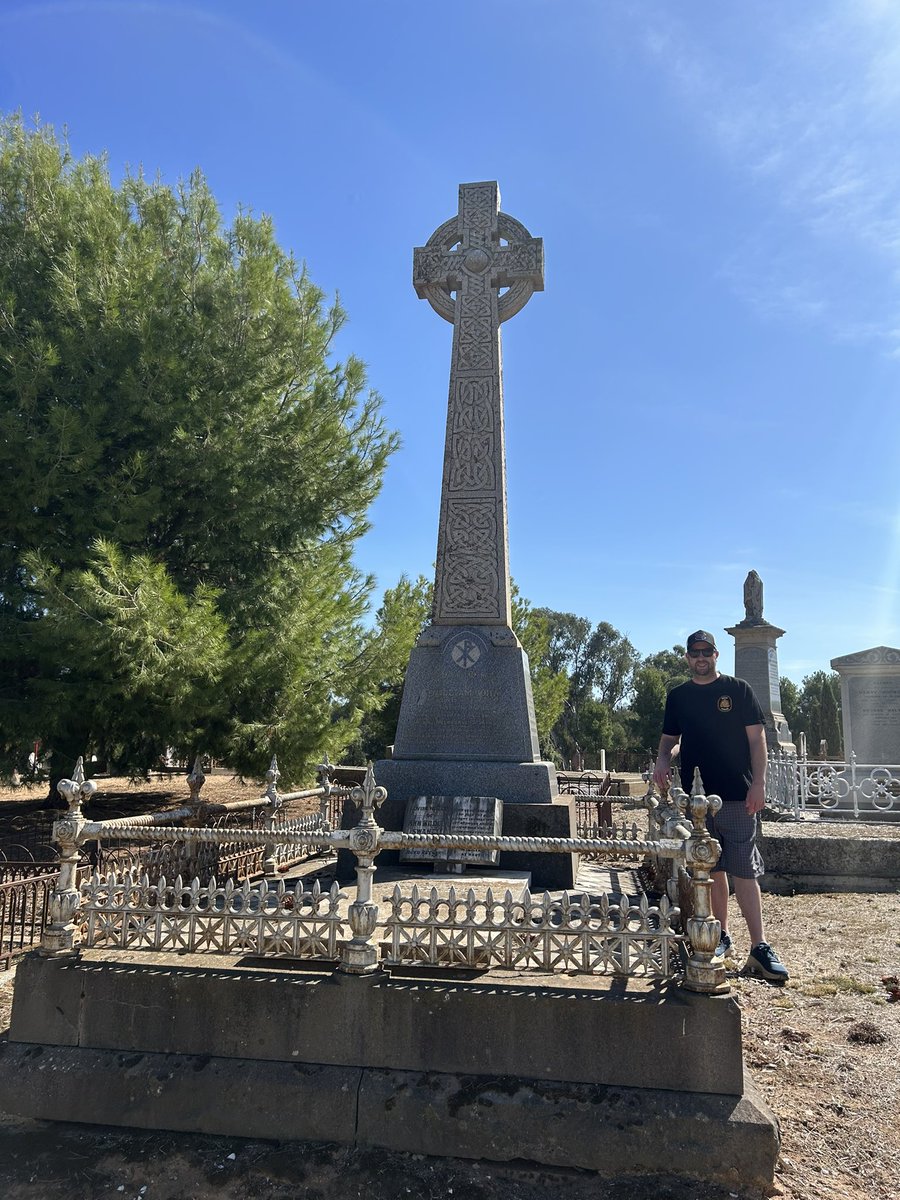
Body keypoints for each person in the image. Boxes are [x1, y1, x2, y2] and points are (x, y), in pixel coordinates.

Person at [652, 630, 788, 984]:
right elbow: (669, 741)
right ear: (687, 657)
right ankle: (721, 935)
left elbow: (757, 740)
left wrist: (758, 784)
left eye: (706, 652)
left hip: (737, 797)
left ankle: (759, 946)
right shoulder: (678, 697)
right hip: (698, 804)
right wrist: (662, 761)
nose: (701, 657)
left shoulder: (738, 690)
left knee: (744, 871)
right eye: (694, 652)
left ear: (716, 655)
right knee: (711, 872)